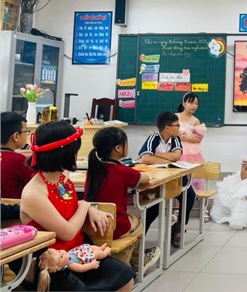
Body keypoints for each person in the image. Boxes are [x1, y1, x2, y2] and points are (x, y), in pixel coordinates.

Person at [19, 121, 134, 291]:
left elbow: (67, 208)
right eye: (74, 150)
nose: (76, 155)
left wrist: (88, 208)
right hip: (52, 262)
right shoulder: (33, 192)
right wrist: (85, 205)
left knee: (124, 276)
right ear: (63, 153)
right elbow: (67, 233)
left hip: (77, 252)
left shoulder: (62, 178)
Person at [84, 127, 159, 273]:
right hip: (115, 226)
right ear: (118, 148)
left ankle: (132, 261)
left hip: (91, 225)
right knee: (139, 224)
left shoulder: (93, 169)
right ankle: (138, 262)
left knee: (129, 219)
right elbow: (145, 178)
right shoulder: (123, 171)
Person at [138, 111, 196, 248]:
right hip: (155, 179)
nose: (179, 128)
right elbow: (146, 159)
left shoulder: (176, 139)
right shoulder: (153, 138)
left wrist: (156, 155)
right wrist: (166, 157)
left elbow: (176, 157)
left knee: (189, 195)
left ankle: (179, 226)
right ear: (167, 128)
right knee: (154, 206)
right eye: (177, 125)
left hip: (173, 176)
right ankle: (138, 238)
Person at [38, 244, 111, 291]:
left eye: (58, 251)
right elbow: (82, 268)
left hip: (83, 251)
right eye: (61, 257)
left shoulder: (66, 255)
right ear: (58, 267)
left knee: (92, 247)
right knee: (97, 254)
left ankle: (100, 248)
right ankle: (105, 252)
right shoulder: (70, 264)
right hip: (85, 257)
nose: (63, 252)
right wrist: (92, 265)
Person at [175, 92, 207, 190]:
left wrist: (185, 138)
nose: (194, 106)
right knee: (177, 179)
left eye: (196, 103)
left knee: (191, 179)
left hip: (191, 152)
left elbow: (198, 139)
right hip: (176, 149)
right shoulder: (175, 117)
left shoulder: (195, 120)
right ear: (184, 104)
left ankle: (190, 198)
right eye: (191, 103)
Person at [1, 111, 35, 199]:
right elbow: (38, 183)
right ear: (16, 136)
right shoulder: (18, 160)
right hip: (14, 206)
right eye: (26, 131)